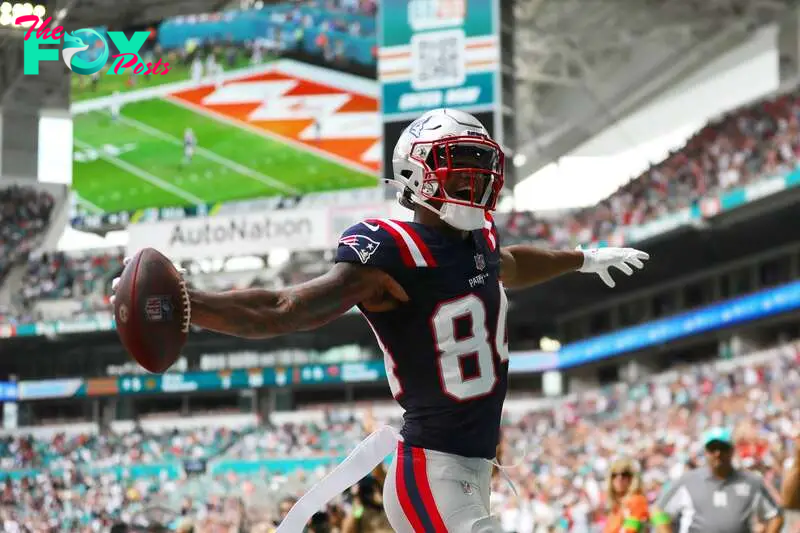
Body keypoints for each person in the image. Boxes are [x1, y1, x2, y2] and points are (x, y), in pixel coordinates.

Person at [112, 108, 650, 532]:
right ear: (415, 173)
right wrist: (190, 301)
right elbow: (286, 307)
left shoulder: (477, 244)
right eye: (459, 165)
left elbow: (511, 264)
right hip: (430, 470)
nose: (475, 179)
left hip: (464, 471)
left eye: (481, 166)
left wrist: (581, 257)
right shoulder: (392, 250)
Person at [652, 427, 784, 533]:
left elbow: (776, 515)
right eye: (712, 448)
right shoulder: (688, 481)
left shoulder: (751, 482)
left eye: (722, 448)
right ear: (705, 452)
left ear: (731, 450)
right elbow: (659, 510)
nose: (717, 453)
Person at [602, 457, 649, 533]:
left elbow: (630, 530)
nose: (619, 478)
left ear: (632, 478)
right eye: (614, 475)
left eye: (624, 474)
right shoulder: (615, 505)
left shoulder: (637, 500)